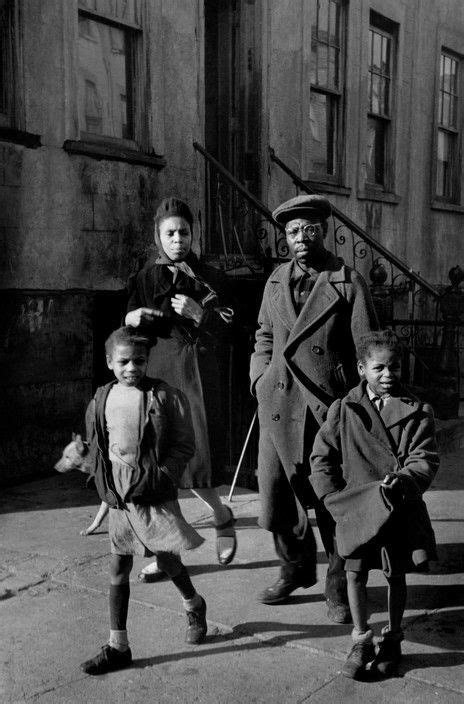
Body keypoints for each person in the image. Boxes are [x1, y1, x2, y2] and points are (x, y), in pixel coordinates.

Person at [250, 194, 378, 622]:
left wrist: (362, 401)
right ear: (283, 237)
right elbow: (264, 336)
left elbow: (367, 347)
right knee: (275, 494)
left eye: (309, 229)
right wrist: (259, 378)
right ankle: (295, 568)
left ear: (324, 231)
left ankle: (336, 583)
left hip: (329, 408)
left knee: (332, 499)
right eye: (291, 232)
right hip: (279, 402)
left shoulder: (347, 281)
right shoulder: (274, 281)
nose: (300, 238)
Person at [310, 330, 439, 679]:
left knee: (395, 575)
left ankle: (393, 639)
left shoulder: (417, 411)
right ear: (361, 368)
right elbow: (321, 457)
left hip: (396, 506)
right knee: (354, 574)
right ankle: (361, 639)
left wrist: (408, 478)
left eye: (394, 367)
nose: (388, 375)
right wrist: (333, 499)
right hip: (356, 509)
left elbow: (424, 458)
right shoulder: (344, 409)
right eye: (378, 368)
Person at [80, 326, 208, 676]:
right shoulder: (102, 397)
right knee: (118, 567)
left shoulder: (165, 396)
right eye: (123, 362)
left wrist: (159, 477)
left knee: (167, 560)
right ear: (109, 362)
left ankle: (194, 603)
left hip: (151, 494)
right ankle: (118, 645)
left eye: (139, 361)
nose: (132, 368)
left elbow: (184, 445)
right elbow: (98, 443)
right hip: (120, 496)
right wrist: (94, 470)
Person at [125, 197, 237, 581]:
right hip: (158, 375)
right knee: (157, 466)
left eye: (184, 232)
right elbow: (129, 331)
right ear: (158, 236)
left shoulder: (211, 277)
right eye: (169, 233)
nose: (178, 240)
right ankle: (165, 550)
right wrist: (131, 318)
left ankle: (220, 514)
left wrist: (200, 314)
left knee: (195, 459)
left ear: (194, 233)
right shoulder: (145, 279)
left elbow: (233, 328)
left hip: (196, 374)